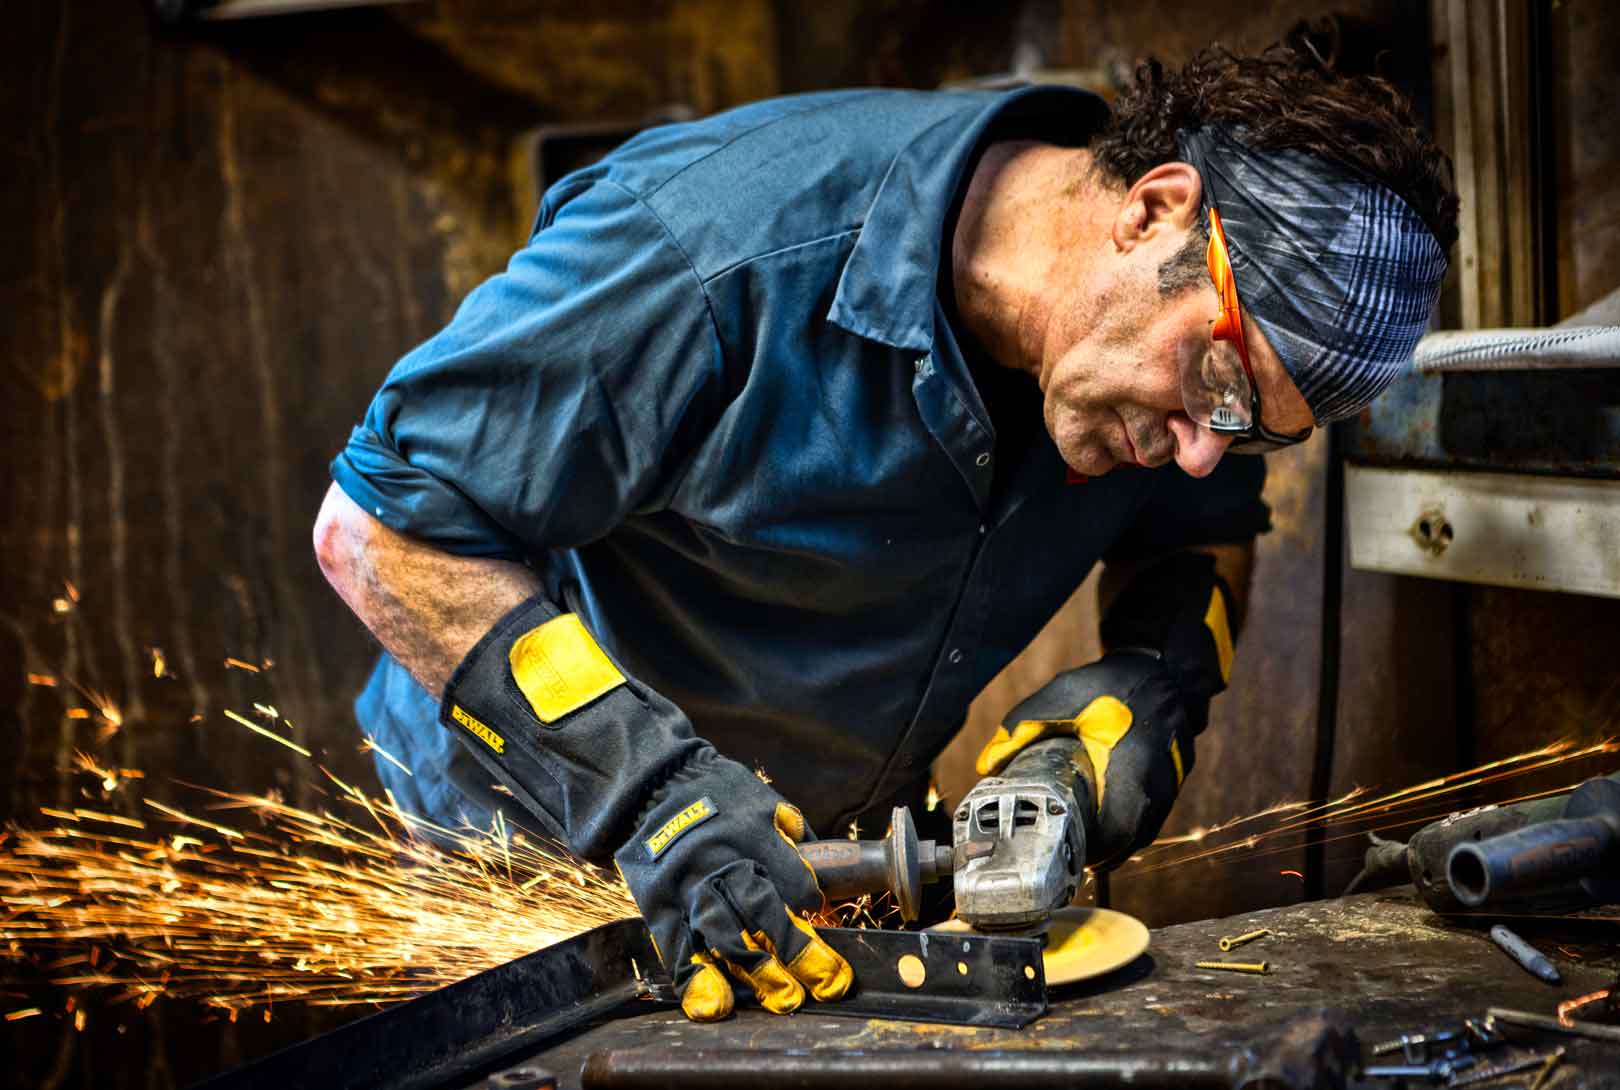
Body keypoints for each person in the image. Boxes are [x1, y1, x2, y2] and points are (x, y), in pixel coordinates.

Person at [314, 46, 1458, 1022]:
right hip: (536, 849)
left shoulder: (1144, 387)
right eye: (1216, 378)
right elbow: (378, 533)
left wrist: (1143, 691)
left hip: (827, 864)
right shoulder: (713, 249)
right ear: (1153, 208)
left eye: (1255, 431)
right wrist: (646, 793)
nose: (1207, 448)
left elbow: (1196, 536)